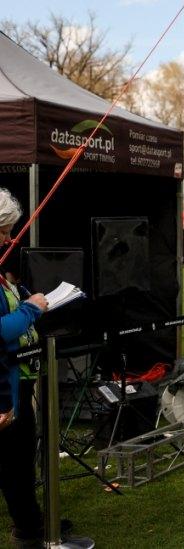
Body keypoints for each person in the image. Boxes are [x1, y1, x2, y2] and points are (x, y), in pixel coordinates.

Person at [0, 188, 60, 548]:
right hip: (7, 385)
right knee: (15, 462)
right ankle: (29, 528)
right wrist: (31, 309)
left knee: (20, 459)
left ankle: (32, 521)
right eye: (4, 231)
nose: (9, 239)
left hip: (15, 380)